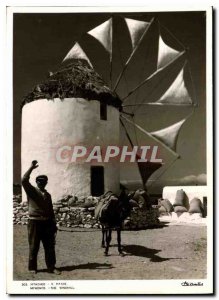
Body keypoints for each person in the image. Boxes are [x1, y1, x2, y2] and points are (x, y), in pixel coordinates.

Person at [22, 160, 61, 275]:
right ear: (36, 182)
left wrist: (54, 224)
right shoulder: (32, 191)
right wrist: (31, 168)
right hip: (34, 222)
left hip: (47, 223)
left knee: (49, 246)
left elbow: (51, 210)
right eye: (40, 182)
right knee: (34, 245)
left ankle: (51, 267)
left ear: (46, 183)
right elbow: (24, 180)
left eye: (44, 182)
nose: (42, 184)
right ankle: (32, 267)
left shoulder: (48, 195)